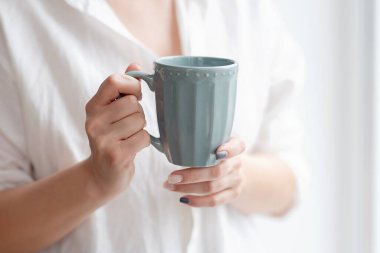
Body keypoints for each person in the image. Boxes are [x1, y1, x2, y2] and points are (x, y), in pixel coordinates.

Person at [0, 0, 307, 252]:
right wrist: (95, 180)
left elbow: (291, 182)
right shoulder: (16, 18)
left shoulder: (247, 10)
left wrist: (236, 176)